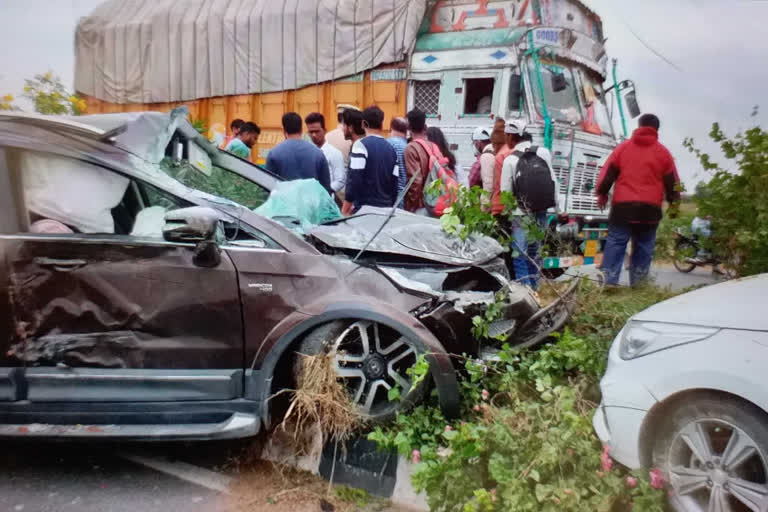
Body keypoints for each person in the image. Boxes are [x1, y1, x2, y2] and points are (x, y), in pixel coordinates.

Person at [596, 113, 681, 286]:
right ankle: (639, 285)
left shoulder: (623, 148)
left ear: (639, 126)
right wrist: (674, 206)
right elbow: (674, 184)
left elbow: (607, 175)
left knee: (616, 242)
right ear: (656, 129)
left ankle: (608, 281)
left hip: (623, 208)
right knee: (644, 246)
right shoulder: (664, 154)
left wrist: (602, 193)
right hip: (649, 210)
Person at [498, 121, 560, 290]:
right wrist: (555, 207)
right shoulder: (543, 153)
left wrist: (508, 215)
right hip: (541, 210)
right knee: (535, 252)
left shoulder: (510, 160)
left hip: (520, 213)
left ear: (511, 136)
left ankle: (526, 291)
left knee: (519, 253)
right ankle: (536, 287)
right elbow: (553, 180)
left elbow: (505, 193)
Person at [342, 106, 399, 215]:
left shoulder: (360, 145)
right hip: (385, 210)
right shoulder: (391, 149)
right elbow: (394, 183)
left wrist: (345, 208)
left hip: (364, 210)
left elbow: (354, 178)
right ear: (382, 125)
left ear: (363, 124)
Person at [266, 113, 331, 193]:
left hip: (285, 203)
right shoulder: (318, 153)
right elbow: (326, 188)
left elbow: (267, 187)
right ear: (301, 129)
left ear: (283, 130)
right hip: (311, 204)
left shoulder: (274, 153)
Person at [305, 112, 346, 202]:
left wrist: (325, 191)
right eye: (311, 132)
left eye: (317, 131)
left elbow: (340, 180)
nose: (314, 135)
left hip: (326, 201)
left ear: (324, 130)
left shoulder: (334, 153)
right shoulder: (306, 153)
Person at [403, 108, 431, 213]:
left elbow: (415, 181)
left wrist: (411, 208)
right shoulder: (432, 145)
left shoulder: (411, 148)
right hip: (433, 202)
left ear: (409, 127)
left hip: (420, 205)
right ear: (424, 126)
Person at [387, 117, 408, 202]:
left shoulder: (389, 144)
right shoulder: (408, 145)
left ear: (391, 128)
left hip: (392, 195)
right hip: (405, 194)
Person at [468, 126, 492, 191]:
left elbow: (471, 184)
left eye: (474, 143)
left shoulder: (480, 161)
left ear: (478, 143)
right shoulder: (499, 154)